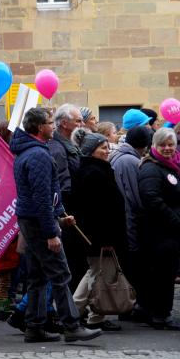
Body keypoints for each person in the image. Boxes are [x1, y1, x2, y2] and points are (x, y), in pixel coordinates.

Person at [10, 107, 101, 343]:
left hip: (32, 220)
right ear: (40, 127)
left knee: (38, 276)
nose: (53, 126)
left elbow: (48, 192)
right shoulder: (38, 155)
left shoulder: (30, 151)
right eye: (50, 122)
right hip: (39, 223)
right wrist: (51, 232)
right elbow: (41, 197)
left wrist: (61, 214)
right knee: (61, 274)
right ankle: (71, 326)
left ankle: (35, 326)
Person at [70, 130, 127, 331]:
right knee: (97, 271)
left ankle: (88, 316)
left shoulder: (98, 169)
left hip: (101, 233)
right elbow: (98, 210)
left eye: (106, 147)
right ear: (91, 151)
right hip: (100, 234)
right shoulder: (93, 173)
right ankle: (76, 314)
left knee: (97, 271)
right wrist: (106, 236)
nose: (107, 150)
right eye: (102, 148)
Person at [137, 128, 180, 330]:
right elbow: (151, 200)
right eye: (163, 144)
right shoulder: (151, 168)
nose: (167, 148)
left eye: (170, 144)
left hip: (167, 233)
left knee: (165, 273)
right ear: (154, 145)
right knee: (161, 275)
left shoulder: (170, 166)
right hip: (158, 233)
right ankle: (160, 315)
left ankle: (158, 312)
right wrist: (175, 219)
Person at [110, 125, 152, 318]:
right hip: (130, 221)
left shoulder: (123, 157)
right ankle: (130, 306)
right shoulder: (129, 161)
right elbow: (135, 197)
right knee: (132, 265)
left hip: (125, 219)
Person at [48, 104, 85, 290]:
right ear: (64, 123)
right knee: (70, 261)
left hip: (73, 208)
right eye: (78, 120)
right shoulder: (57, 148)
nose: (82, 124)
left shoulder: (69, 144)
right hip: (67, 212)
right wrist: (65, 213)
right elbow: (62, 185)